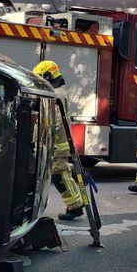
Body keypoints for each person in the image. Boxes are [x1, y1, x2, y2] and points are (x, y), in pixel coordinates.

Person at [32, 60, 85, 221]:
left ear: (48, 76)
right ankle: (74, 205)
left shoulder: (56, 95)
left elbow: (53, 122)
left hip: (56, 145)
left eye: (41, 78)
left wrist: (48, 141)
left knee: (61, 175)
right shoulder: (56, 92)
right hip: (55, 144)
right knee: (58, 175)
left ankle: (75, 206)